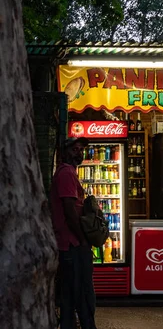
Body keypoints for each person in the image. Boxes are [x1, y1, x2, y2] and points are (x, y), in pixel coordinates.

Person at [50, 137, 97, 329]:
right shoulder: (67, 173)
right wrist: (82, 240)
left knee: (69, 297)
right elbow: (69, 211)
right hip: (72, 243)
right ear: (64, 153)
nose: (78, 153)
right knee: (83, 296)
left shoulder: (66, 172)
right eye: (74, 149)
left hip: (67, 243)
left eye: (81, 150)